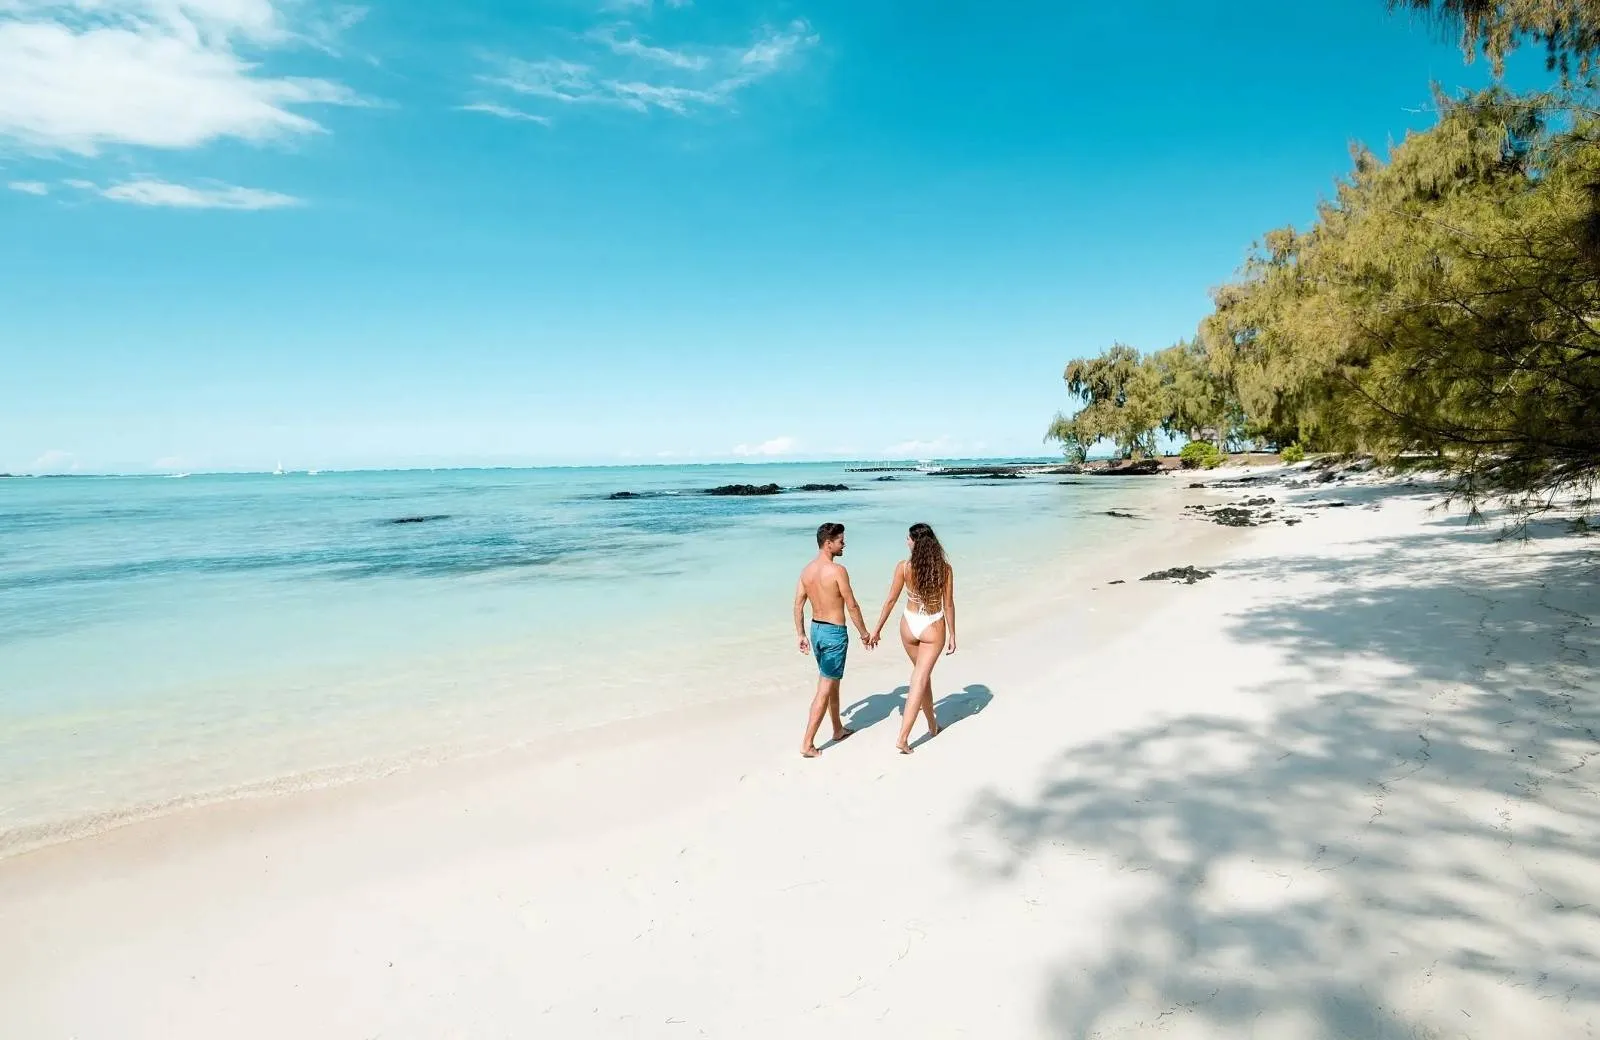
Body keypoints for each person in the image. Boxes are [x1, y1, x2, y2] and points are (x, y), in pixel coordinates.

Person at [870, 522, 957, 754]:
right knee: (920, 678)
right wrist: (953, 635)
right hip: (932, 626)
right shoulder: (944, 569)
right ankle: (903, 737)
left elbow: (890, 600)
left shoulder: (904, 567)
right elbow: (948, 604)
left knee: (922, 677)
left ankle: (932, 725)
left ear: (916, 543)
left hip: (908, 625)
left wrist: (877, 629)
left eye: (908, 538)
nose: (906, 541)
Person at [794, 521, 874, 758]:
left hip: (816, 630)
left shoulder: (807, 571)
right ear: (828, 544)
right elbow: (852, 605)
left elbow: (798, 604)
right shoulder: (838, 571)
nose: (844, 544)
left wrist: (800, 634)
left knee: (832, 682)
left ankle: (837, 729)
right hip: (834, 635)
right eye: (840, 540)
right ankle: (807, 744)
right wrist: (865, 634)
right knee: (825, 688)